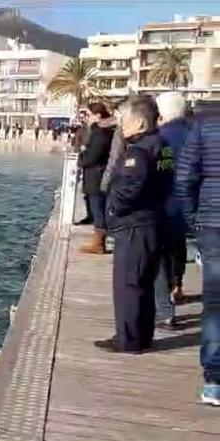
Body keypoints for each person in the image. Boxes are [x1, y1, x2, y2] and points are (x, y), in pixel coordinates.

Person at [96, 96, 163, 354]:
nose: (121, 124)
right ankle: (142, 336)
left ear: (140, 121)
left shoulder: (137, 152)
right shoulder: (163, 146)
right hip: (152, 222)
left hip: (134, 226)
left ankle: (128, 339)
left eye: (124, 119)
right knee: (144, 284)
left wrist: (112, 209)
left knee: (129, 284)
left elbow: (130, 189)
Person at [175, 99, 220, 405]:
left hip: (212, 223)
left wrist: (194, 221)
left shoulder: (204, 127)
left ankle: (215, 380)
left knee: (215, 302)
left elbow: (184, 179)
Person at [156, 92, 191, 307]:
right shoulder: (196, 134)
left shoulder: (160, 138)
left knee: (162, 251)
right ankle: (178, 283)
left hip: (165, 201)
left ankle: (166, 300)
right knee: (179, 245)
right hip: (190, 202)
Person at [79, 102, 116, 254]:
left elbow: (92, 156)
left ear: (98, 116)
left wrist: (81, 159)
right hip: (97, 175)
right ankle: (99, 240)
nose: (86, 118)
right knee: (98, 207)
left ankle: (99, 243)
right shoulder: (102, 132)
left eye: (88, 115)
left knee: (98, 208)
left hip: (96, 176)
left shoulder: (100, 133)